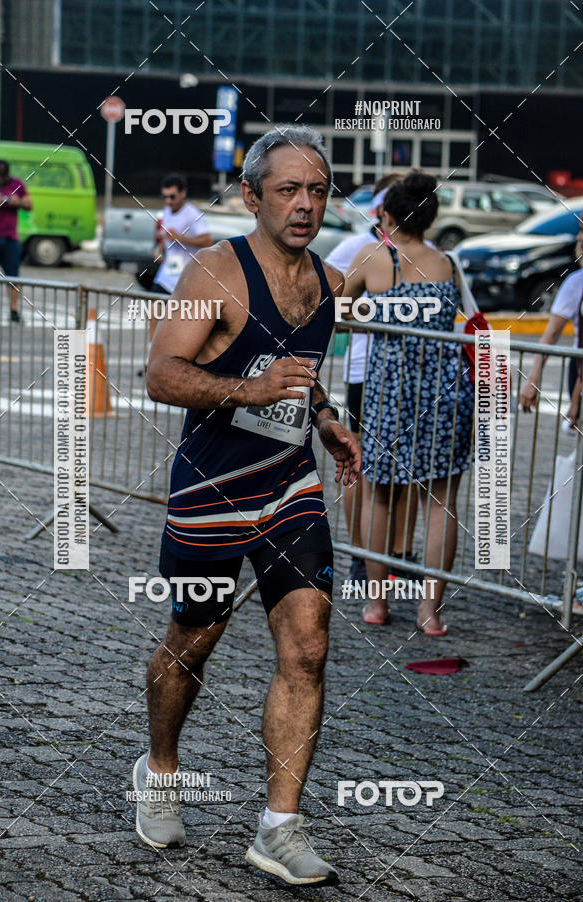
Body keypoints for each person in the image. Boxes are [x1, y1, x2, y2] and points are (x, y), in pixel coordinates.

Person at [137, 126, 360, 886]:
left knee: (308, 645)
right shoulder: (213, 272)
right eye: (288, 190)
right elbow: (161, 374)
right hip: (210, 489)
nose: (305, 205)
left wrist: (328, 422)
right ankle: (161, 769)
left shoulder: (329, 282)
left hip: (289, 486)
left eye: (318, 191)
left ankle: (279, 828)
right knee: (191, 645)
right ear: (251, 195)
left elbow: (305, 375)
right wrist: (249, 390)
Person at [344, 171, 474, 634]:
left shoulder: (373, 259)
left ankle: (377, 604)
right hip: (445, 396)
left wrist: (370, 314)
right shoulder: (449, 264)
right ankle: (430, 612)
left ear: (389, 216)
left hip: (390, 394)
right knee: (441, 503)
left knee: (380, 496)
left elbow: (336, 316)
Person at [326, 173, 422, 584]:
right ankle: (362, 556)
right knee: (362, 465)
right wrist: (377, 317)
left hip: (414, 376)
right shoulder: (356, 247)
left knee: (410, 470)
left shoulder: (427, 252)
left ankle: (399, 555)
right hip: (367, 371)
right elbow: (330, 304)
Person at [520, 225, 583, 424]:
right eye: (580, 230)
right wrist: (533, 379)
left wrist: (576, 397)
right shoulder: (576, 283)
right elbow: (551, 334)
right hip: (579, 368)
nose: (580, 238)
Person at [0, 160, 32, 322]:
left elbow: (29, 204)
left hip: (11, 237)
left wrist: (18, 202)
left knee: (13, 276)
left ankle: (13, 311)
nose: (1, 181)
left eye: (4, 178)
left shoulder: (17, 184)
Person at [151, 173, 212, 296]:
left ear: (183, 193)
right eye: (165, 197)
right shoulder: (167, 211)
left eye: (172, 196)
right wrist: (159, 250)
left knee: (174, 314)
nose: (168, 201)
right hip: (165, 276)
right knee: (152, 312)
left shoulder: (192, 214)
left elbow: (208, 241)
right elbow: (166, 237)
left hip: (185, 280)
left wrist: (180, 238)